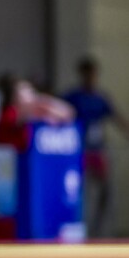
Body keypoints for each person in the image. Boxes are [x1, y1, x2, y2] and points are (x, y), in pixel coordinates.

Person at [63, 56, 129, 236]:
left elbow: (117, 118)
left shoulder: (101, 98)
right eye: (88, 74)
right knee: (80, 191)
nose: (91, 78)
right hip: (80, 152)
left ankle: (99, 230)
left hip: (98, 150)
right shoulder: (73, 97)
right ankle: (77, 225)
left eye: (94, 74)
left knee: (105, 190)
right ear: (82, 75)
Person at [0, 75, 75, 152]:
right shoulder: (10, 111)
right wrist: (44, 115)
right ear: (15, 96)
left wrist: (45, 99)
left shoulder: (35, 109)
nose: (31, 94)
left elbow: (69, 113)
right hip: (6, 157)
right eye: (24, 91)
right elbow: (23, 119)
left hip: (28, 158)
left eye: (31, 91)